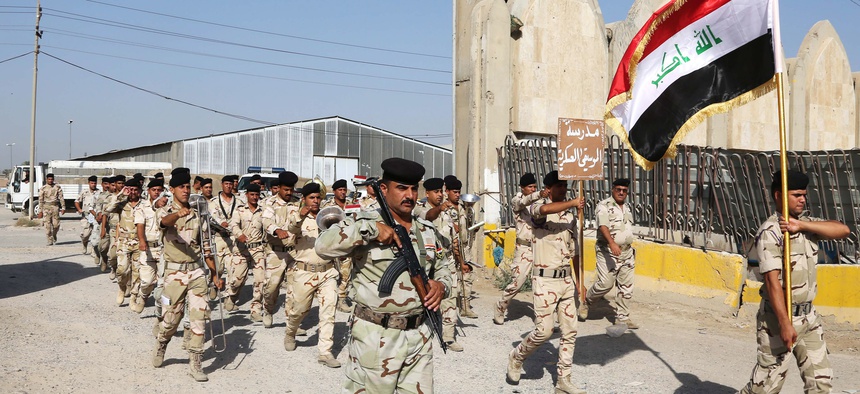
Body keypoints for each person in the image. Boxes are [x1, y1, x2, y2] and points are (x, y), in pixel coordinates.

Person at [315, 158, 452, 393]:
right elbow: (323, 246)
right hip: (376, 337)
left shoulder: (426, 230)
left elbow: (443, 267)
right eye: (401, 188)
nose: (409, 195)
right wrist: (370, 230)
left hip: (419, 335)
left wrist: (441, 285)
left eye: (413, 188)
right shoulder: (362, 222)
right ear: (384, 189)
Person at [740, 170, 849, 394]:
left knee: (821, 384)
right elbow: (772, 282)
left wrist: (803, 226)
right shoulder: (770, 233)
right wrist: (784, 323)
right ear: (779, 196)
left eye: (804, 195)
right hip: (779, 319)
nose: (802, 199)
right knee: (765, 388)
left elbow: (843, 230)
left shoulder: (807, 225)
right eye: (796, 194)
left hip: (809, 318)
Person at [507, 170, 586, 394]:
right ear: (549, 189)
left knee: (570, 331)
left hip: (566, 280)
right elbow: (543, 210)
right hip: (544, 281)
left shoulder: (571, 217)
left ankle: (563, 379)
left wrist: (580, 282)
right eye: (558, 186)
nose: (563, 189)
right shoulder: (537, 208)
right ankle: (516, 356)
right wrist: (572, 202)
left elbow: (576, 252)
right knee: (544, 331)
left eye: (565, 186)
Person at [152, 169, 224, 382]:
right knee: (171, 320)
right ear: (172, 189)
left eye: (187, 186)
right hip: (174, 273)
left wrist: (215, 273)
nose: (185, 190)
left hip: (196, 272)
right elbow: (164, 222)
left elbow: (206, 247)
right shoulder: (163, 210)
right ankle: (162, 342)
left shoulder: (198, 214)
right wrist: (177, 215)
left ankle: (196, 362)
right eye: (180, 187)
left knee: (199, 317)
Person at [283, 182, 341, 368]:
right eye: (311, 198)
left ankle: (325, 352)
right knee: (298, 311)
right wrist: (300, 216)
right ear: (304, 199)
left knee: (328, 312)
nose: (315, 201)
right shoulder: (297, 218)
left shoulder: (328, 218)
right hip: (304, 272)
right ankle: (290, 332)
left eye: (318, 198)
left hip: (327, 272)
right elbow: (291, 230)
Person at [578, 178, 638, 328]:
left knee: (626, 286)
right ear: (612, 190)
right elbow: (603, 225)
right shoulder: (604, 206)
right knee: (605, 284)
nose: (621, 193)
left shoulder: (627, 207)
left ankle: (622, 317)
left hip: (626, 252)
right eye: (618, 189)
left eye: (624, 190)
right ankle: (587, 302)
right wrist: (612, 243)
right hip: (607, 251)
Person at [414, 177, 464, 351]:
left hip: (446, 258)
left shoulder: (447, 211)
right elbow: (428, 216)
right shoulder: (421, 209)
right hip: (427, 260)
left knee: (450, 294)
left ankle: (449, 337)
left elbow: (452, 237)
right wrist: (439, 209)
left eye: (441, 192)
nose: (440, 195)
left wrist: (460, 260)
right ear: (427, 193)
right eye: (436, 192)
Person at [494, 173, 545, 325]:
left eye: (535, 187)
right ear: (522, 188)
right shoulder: (517, 200)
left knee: (541, 283)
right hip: (524, 248)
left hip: (540, 247)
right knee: (518, 282)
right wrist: (539, 194)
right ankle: (500, 306)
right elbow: (523, 203)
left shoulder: (540, 201)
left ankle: (542, 319)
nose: (533, 189)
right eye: (530, 187)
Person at [259, 171, 300, 327]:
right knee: (271, 287)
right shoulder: (270, 203)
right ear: (279, 188)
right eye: (286, 190)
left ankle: (292, 321)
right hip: (275, 252)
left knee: (294, 288)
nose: (289, 193)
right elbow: (266, 220)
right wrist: (276, 230)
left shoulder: (298, 203)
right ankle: (268, 310)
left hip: (294, 252)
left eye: (291, 190)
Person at [105, 178, 144, 307]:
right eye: (130, 189)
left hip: (139, 242)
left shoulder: (144, 205)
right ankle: (122, 288)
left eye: (135, 190)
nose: (132, 192)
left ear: (140, 191)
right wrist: (121, 194)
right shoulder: (121, 204)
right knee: (122, 270)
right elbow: (108, 209)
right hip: (124, 241)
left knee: (137, 272)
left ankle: (133, 296)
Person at [226, 183, 265, 312]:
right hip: (241, 249)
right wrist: (239, 235)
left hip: (258, 250)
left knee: (260, 280)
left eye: (257, 195)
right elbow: (234, 225)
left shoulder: (263, 211)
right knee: (238, 280)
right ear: (247, 195)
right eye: (252, 194)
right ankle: (232, 296)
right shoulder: (240, 210)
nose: (254, 197)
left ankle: (256, 308)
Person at [442, 176, 478, 319]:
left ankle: (465, 307)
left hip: (464, 246)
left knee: (466, 276)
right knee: (450, 277)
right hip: (450, 248)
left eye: (459, 192)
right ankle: (447, 307)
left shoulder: (463, 207)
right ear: (447, 191)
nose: (457, 195)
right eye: (455, 192)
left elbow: (468, 226)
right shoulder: (444, 208)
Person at [210, 175, 243, 310]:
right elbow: (213, 216)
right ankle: (213, 283)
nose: (229, 186)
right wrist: (221, 223)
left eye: (231, 184)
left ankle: (229, 299)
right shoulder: (214, 201)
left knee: (233, 270)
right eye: (226, 184)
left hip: (233, 239)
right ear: (222, 185)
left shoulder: (239, 201)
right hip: (219, 238)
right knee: (219, 267)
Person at [322, 178, 354, 313]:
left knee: (346, 272)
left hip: (348, 242)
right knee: (332, 272)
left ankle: (341, 298)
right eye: (340, 190)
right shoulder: (328, 206)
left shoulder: (352, 204)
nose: (342, 192)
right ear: (334, 191)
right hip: (333, 242)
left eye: (344, 190)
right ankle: (331, 298)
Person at [134, 178, 164, 314]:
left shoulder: (167, 206)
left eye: (159, 190)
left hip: (164, 248)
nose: (156, 192)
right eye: (154, 190)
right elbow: (140, 225)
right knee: (147, 281)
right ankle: (143, 296)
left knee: (163, 283)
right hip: (148, 248)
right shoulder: (142, 207)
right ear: (148, 191)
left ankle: (163, 309)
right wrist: (141, 240)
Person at [37, 173, 65, 246]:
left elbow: (61, 198)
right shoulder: (43, 188)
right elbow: (40, 200)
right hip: (46, 208)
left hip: (55, 207)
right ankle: (50, 239)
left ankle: (54, 234)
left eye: (51, 179)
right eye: (49, 179)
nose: (50, 180)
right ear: (46, 179)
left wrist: (63, 207)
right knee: (47, 226)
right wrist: (40, 211)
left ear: (53, 179)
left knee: (56, 225)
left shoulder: (57, 187)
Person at [75, 175, 100, 254]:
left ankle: (94, 251)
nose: (93, 185)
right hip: (86, 216)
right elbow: (77, 201)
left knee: (95, 234)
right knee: (85, 234)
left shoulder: (99, 192)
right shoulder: (84, 192)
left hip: (95, 215)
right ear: (89, 183)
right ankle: (84, 244)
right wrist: (79, 209)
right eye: (92, 183)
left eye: (95, 183)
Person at [94, 176, 114, 272]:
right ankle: (104, 260)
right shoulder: (103, 196)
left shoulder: (119, 197)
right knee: (102, 247)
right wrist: (98, 214)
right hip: (105, 224)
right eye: (112, 185)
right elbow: (98, 206)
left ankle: (114, 267)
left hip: (116, 225)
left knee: (115, 249)